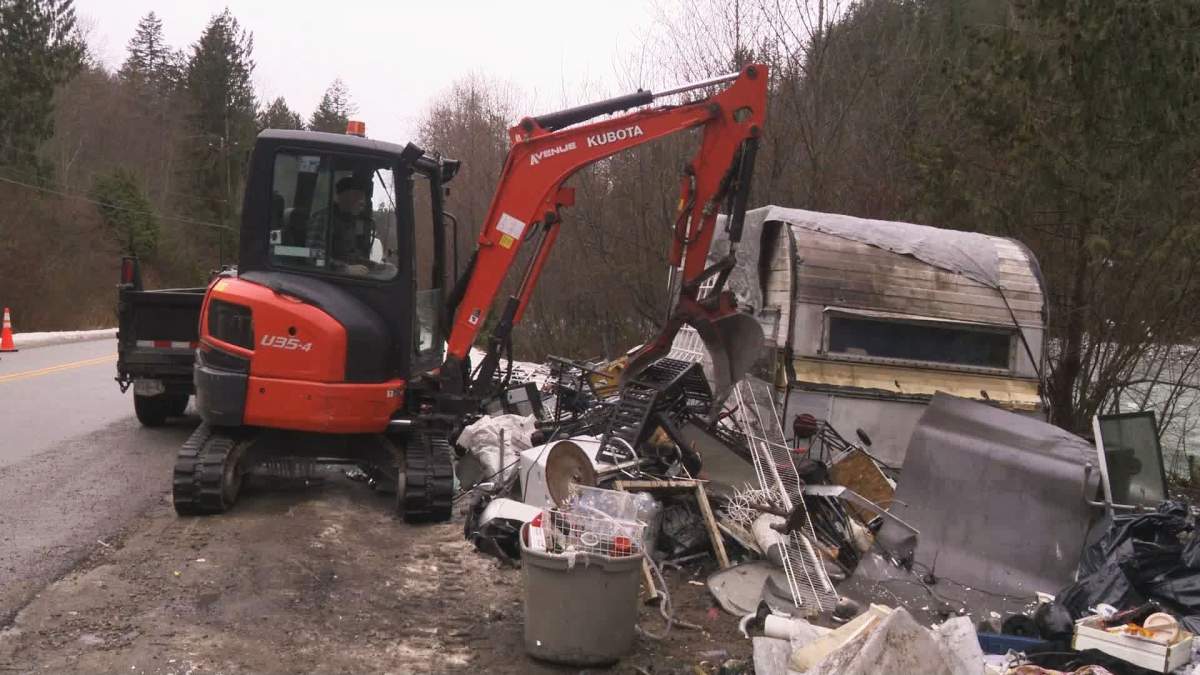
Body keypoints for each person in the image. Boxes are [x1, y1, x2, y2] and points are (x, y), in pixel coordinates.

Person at [307, 175, 376, 274]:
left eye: (363, 197)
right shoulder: (323, 218)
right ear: (341, 197)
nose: (362, 202)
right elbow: (312, 255)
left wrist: (374, 266)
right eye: (356, 196)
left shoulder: (350, 220)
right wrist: (345, 269)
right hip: (325, 280)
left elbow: (351, 257)